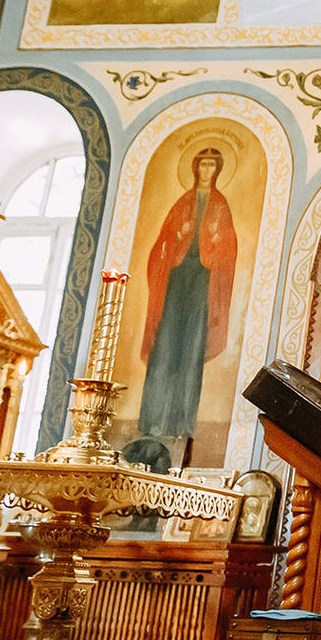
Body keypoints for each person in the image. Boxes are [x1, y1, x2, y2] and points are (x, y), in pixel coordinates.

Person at [137, 147, 238, 451]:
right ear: (195, 169)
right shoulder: (183, 202)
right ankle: (152, 419)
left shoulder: (220, 204)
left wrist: (220, 243)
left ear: (217, 170)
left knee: (191, 349)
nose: (207, 171)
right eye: (202, 166)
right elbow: (163, 242)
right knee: (166, 345)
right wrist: (178, 236)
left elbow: (230, 245)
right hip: (178, 279)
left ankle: (183, 421)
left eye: (212, 166)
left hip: (202, 284)